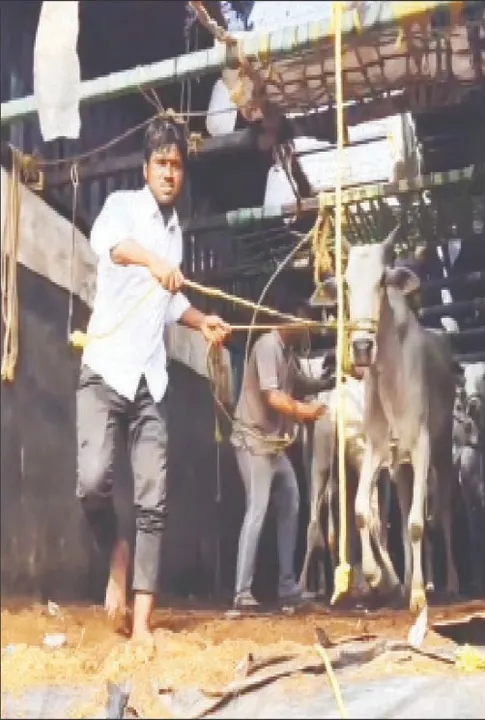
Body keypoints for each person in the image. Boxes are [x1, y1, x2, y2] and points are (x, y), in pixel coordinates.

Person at [76, 116, 232, 644]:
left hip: (149, 381)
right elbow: (111, 246)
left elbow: (169, 301)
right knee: (93, 483)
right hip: (104, 367)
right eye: (162, 164)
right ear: (146, 169)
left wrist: (199, 319)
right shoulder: (122, 207)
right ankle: (116, 556)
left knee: (153, 500)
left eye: (177, 166)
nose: (170, 173)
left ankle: (142, 625)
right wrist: (153, 260)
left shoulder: (177, 234)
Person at [230, 297, 334, 612]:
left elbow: (298, 383)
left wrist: (328, 382)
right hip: (254, 441)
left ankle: (287, 584)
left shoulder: (288, 353)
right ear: (289, 319)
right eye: (304, 321)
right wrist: (304, 410)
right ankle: (241, 591)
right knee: (257, 510)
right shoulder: (266, 346)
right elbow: (273, 395)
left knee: (291, 501)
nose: (308, 329)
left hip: (274, 445)